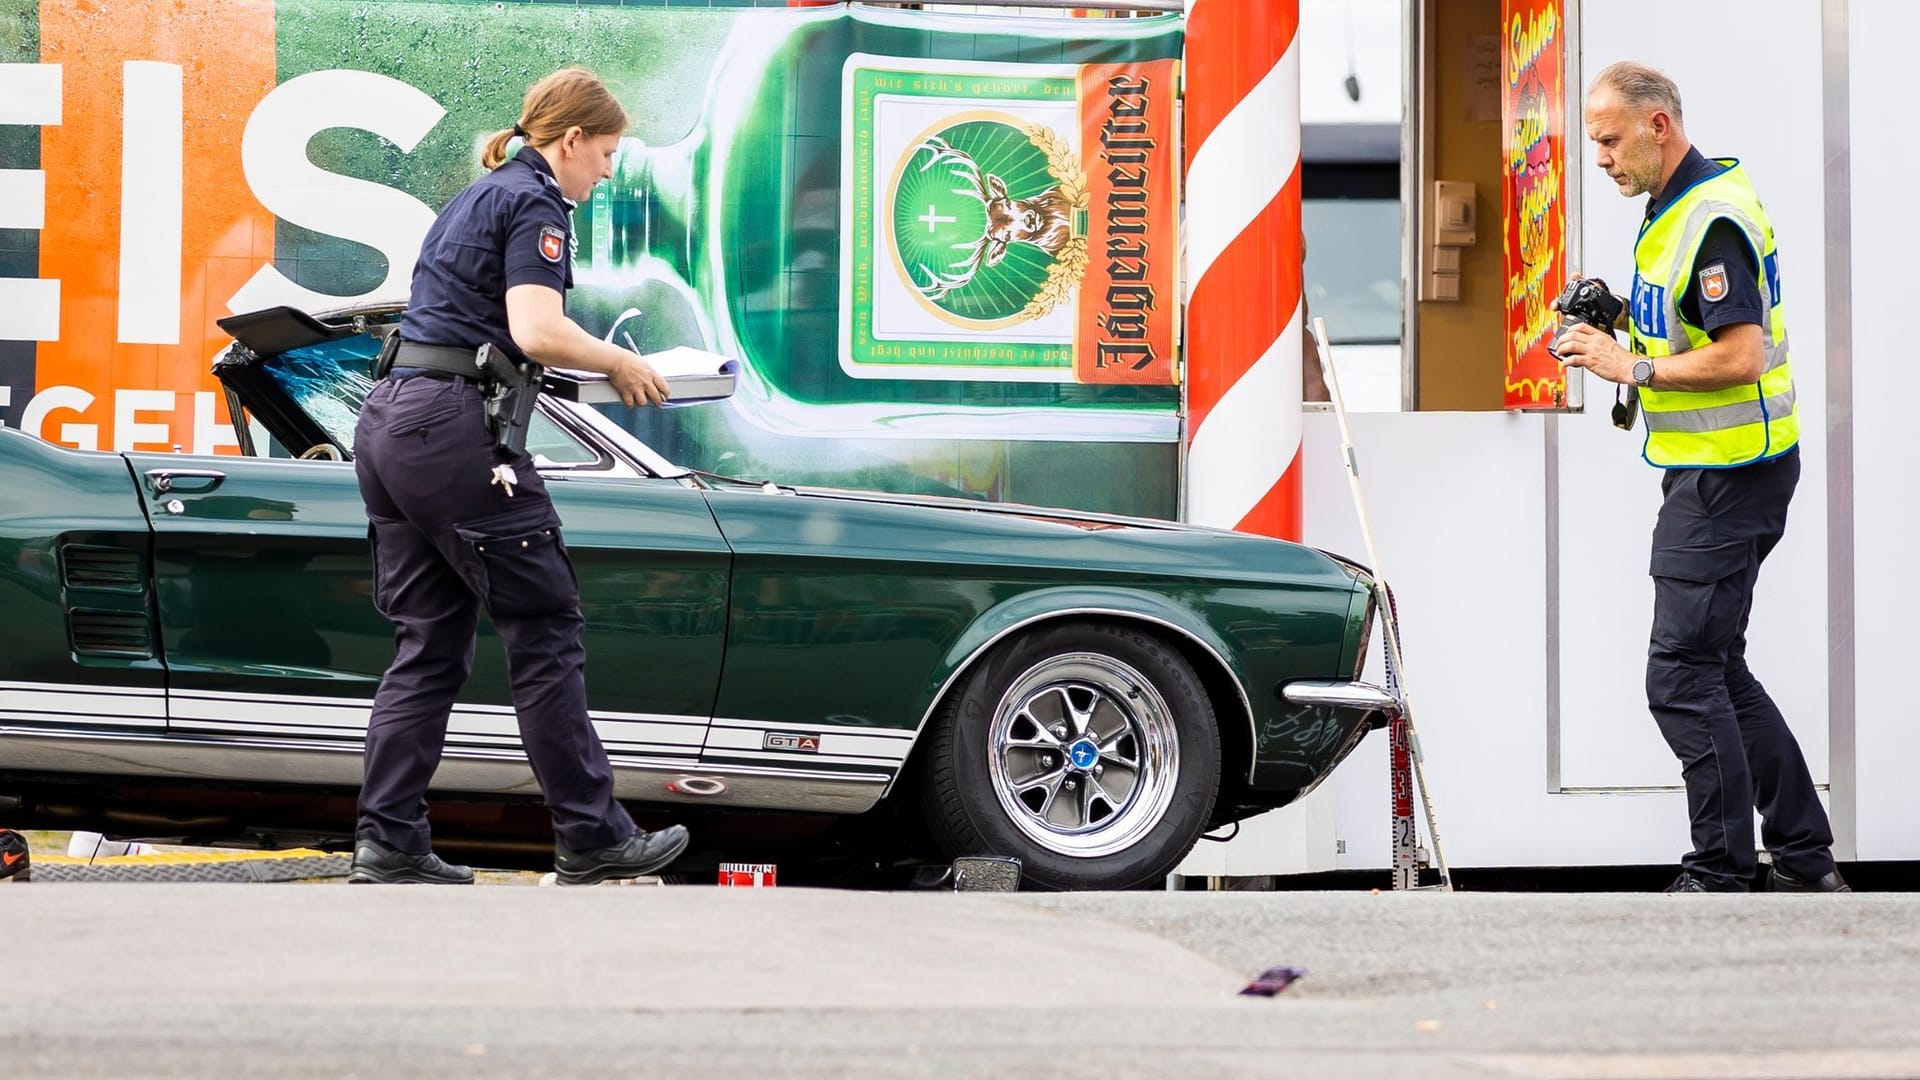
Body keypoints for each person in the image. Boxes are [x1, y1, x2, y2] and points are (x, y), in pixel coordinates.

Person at [348, 68, 689, 886]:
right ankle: (592, 834)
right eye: (605, 152)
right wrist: (619, 361)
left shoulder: (476, 197)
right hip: (453, 433)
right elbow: (536, 330)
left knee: (428, 645)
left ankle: (389, 842)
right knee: (544, 629)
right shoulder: (536, 201)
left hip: (391, 424)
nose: (608, 171)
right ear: (569, 142)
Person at [1555, 62, 1846, 894]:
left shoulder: (1710, 220)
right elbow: (1688, 325)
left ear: (1658, 126)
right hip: (1721, 473)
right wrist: (1611, 315)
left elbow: (1741, 353)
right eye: (1594, 143)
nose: (1601, 157)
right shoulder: (1675, 207)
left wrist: (1626, 366)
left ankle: (1720, 872)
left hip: (1730, 478)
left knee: (1680, 673)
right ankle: (1804, 856)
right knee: (1716, 666)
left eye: (1610, 140)